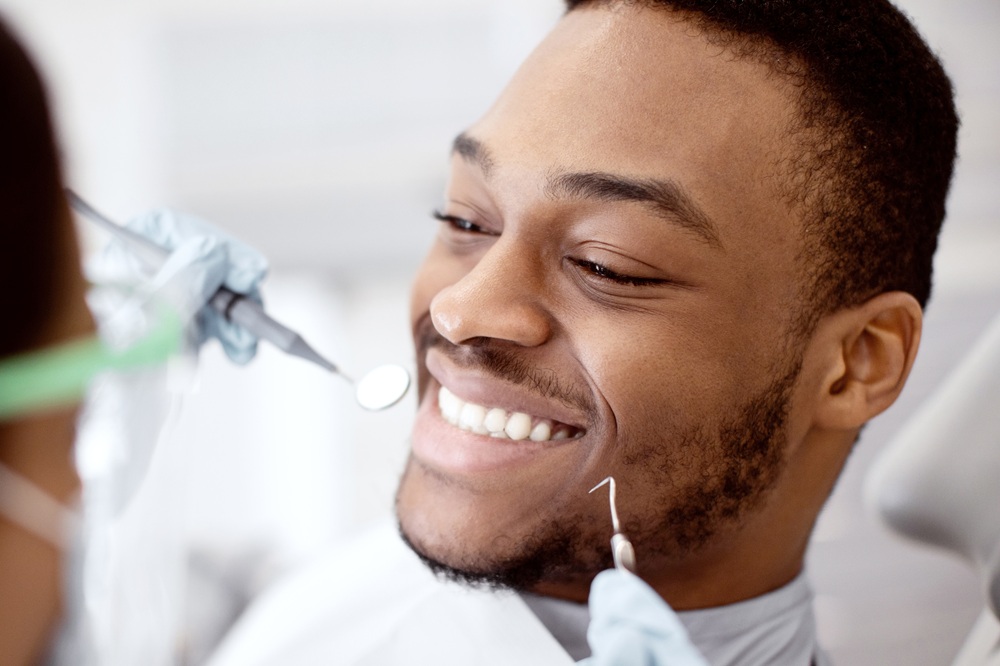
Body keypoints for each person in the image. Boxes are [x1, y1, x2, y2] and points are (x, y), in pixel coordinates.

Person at [204, 0, 958, 664]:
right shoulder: (319, 610)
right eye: (466, 220)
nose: (460, 310)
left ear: (857, 364)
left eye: (607, 265)